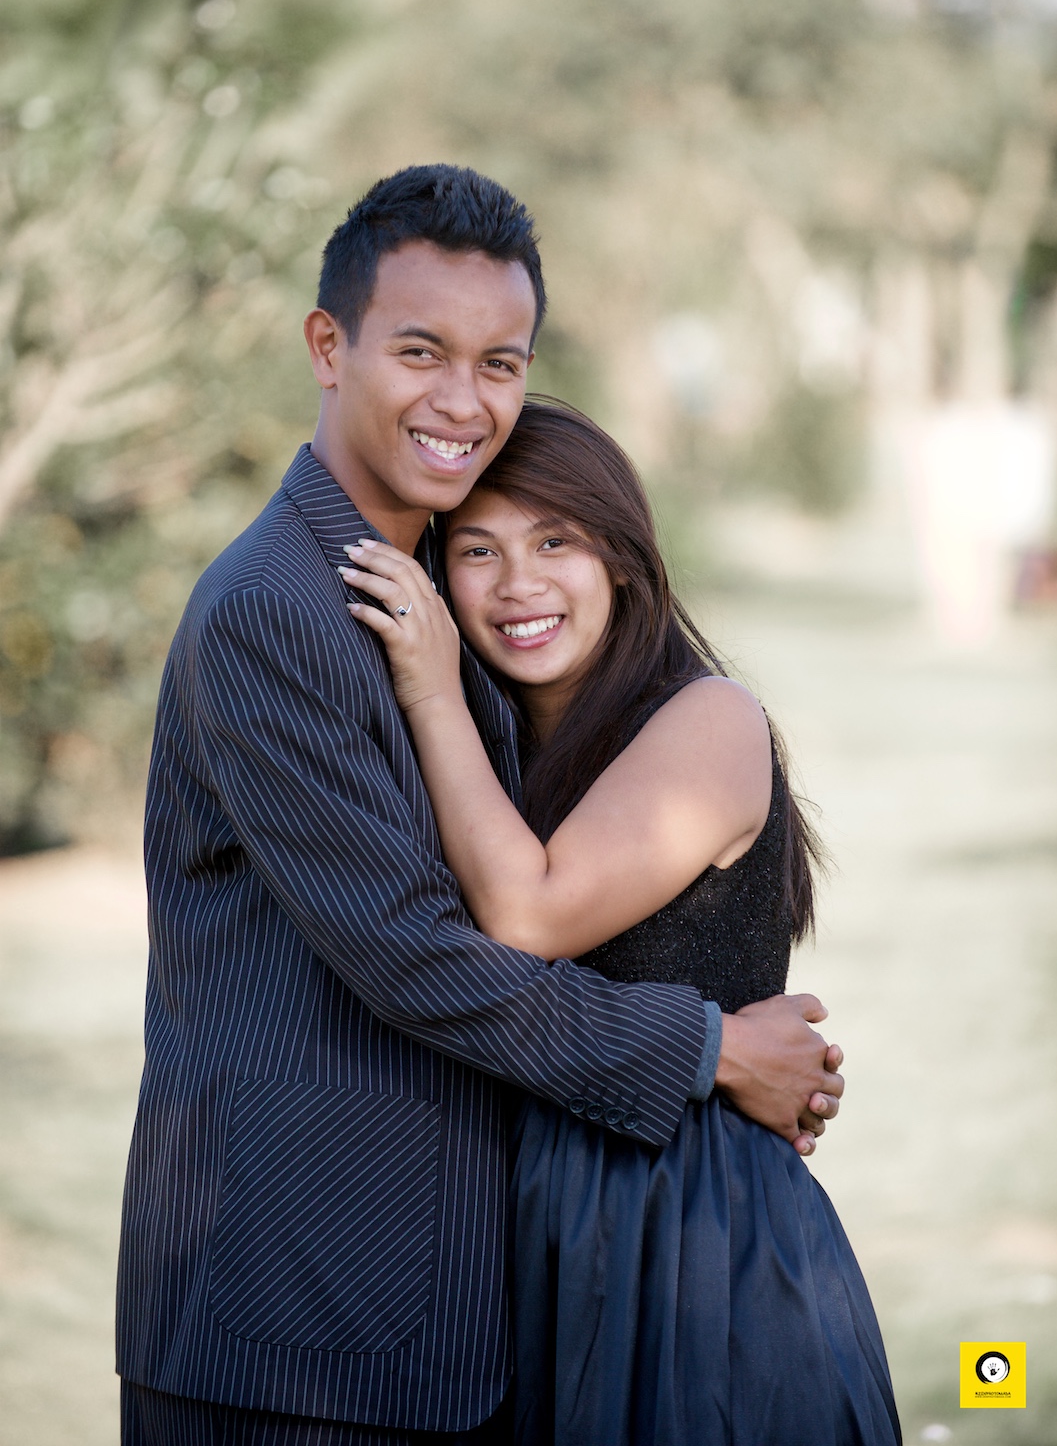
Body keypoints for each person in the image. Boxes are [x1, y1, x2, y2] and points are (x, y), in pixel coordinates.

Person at [116, 165, 844, 1445]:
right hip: (297, 1330)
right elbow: (417, 954)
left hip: (472, 1305)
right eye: (419, 351)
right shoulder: (275, 613)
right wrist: (711, 1050)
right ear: (327, 346)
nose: (461, 401)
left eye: (497, 363)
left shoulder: (434, 612)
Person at [340, 398, 901, 1446]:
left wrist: (430, 689)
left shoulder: (710, 718)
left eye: (556, 541)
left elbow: (527, 915)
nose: (519, 584)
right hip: (527, 1230)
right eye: (477, 550)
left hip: (688, 1229)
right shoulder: (494, 756)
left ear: (624, 560)